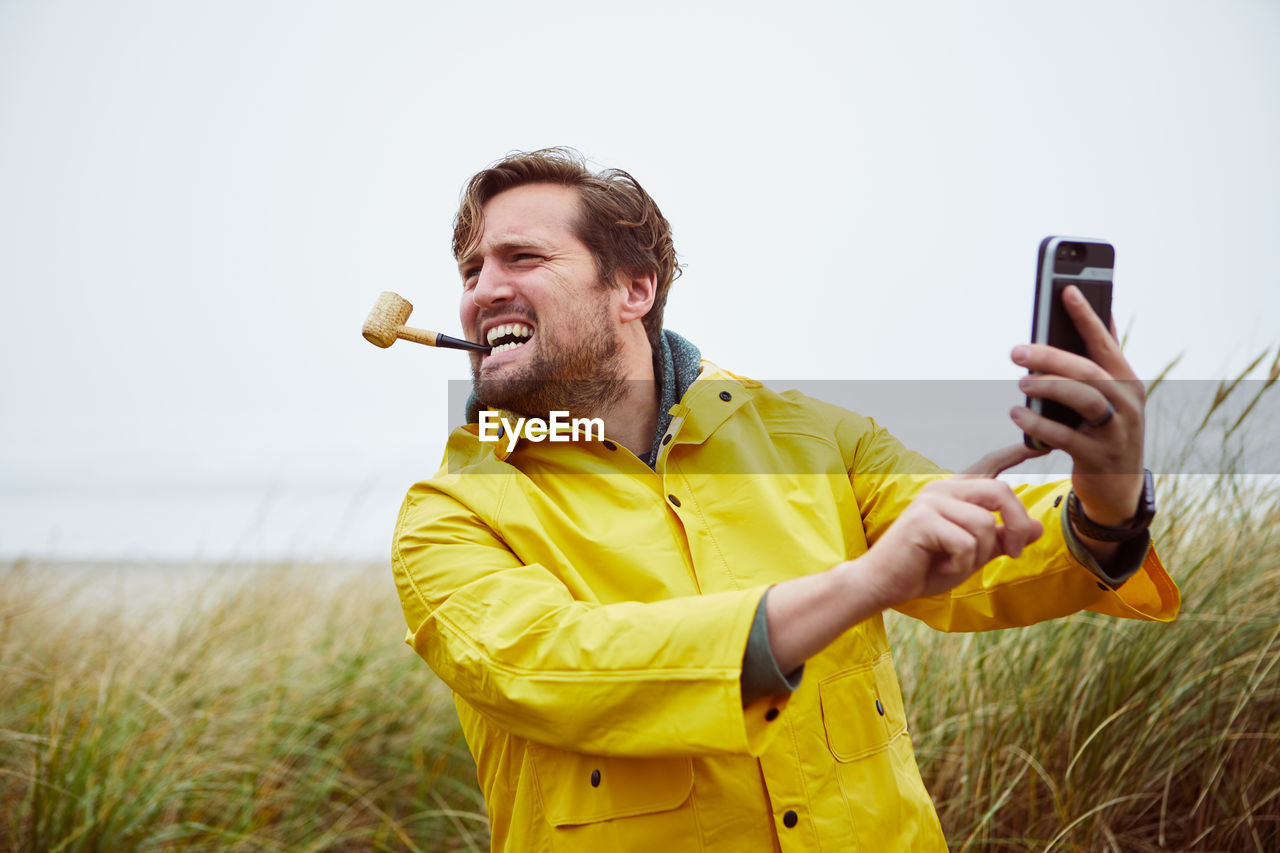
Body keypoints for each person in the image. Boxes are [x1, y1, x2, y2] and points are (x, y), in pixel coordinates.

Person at [391, 148, 1179, 851]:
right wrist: (866, 581)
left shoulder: (813, 437)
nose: (483, 290)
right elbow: (558, 667)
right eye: (470, 270)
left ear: (634, 288)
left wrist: (1106, 499)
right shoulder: (447, 515)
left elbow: (987, 554)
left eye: (520, 257)